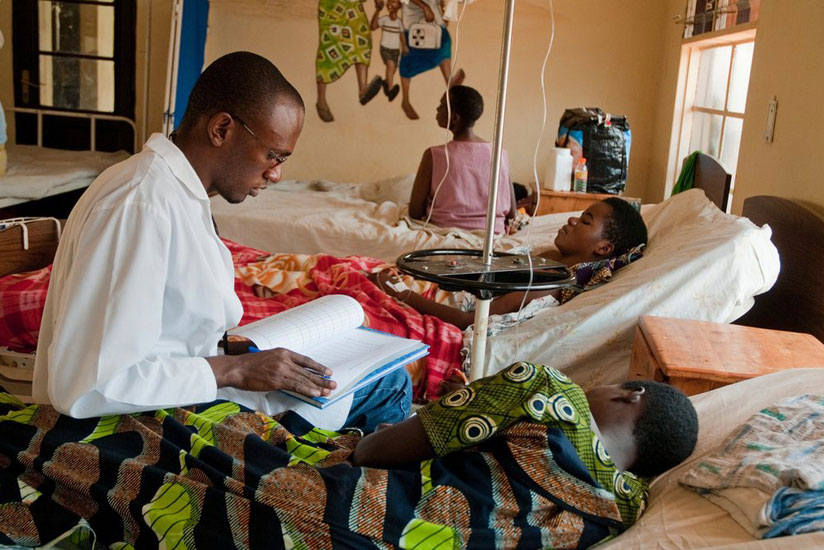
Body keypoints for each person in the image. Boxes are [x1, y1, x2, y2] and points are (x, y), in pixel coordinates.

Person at [32, 51, 411, 433]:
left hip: (184, 390)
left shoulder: (178, 194)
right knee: (389, 386)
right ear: (221, 129)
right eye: (273, 155)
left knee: (379, 371)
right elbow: (92, 383)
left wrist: (237, 351)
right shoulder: (142, 204)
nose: (276, 174)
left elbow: (168, 329)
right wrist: (236, 369)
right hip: (149, 419)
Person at [0, 362, 699, 547]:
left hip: (331, 508)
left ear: (631, 394)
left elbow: (376, 450)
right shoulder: (623, 511)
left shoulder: (545, 392)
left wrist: (449, 418)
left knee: (178, 425)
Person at [385, 196, 648, 330]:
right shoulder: (547, 257)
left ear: (603, 248)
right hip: (437, 293)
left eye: (585, 221)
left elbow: (469, 320)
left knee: (353, 280)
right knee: (352, 266)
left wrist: (401, 293)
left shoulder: (548, 283)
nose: (571, 221)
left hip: (435, 309)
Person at [408, 85, 516, 235]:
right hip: (492, 235)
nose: (437, 110)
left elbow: (414, 211)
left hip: (444, 233)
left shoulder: (434, 155)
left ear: (454, 118)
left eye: (442, 105)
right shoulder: (499, 153)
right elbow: (511, 213)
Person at [315, 0, 384, 123]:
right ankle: (321, 101)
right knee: (329, 49)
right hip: (333, 7)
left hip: (353, 5)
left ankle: (363, 89)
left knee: (362, 40)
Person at [399, 0, 465, 120]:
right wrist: (424, 7)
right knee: (409, 60)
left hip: (435, 21)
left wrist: (444, 12)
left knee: (444, 43)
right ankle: (405, 100)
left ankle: (449, 82)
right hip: (414, 21)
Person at [370, 0, 404, 101]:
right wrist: (377, 11)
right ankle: (390, 90)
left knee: (392, 71)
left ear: (399, 6)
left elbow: (402, 35)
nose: (389, 4)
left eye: (393, 2)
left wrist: (405, 46)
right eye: (389, 1)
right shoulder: (384, 20)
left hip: (396, 50)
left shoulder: (399, 22)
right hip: (385, 48)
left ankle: (386, 83)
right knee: (391, 66)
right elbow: (373, 27)